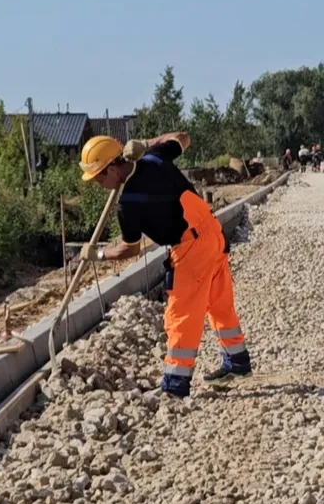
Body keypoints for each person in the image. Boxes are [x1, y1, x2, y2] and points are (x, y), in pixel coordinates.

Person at [76, 132, 252, 398]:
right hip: (212, 233)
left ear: (112, 168)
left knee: (181, 314)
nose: (98, 184)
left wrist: (98, 255)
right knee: (218, 302)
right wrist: (147, 144)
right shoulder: (155, 157)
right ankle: (237, 362)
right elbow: (183, 137)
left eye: (99, 177)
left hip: (191, 247)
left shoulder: (128, 204)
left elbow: (130, 249)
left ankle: (175, 384)